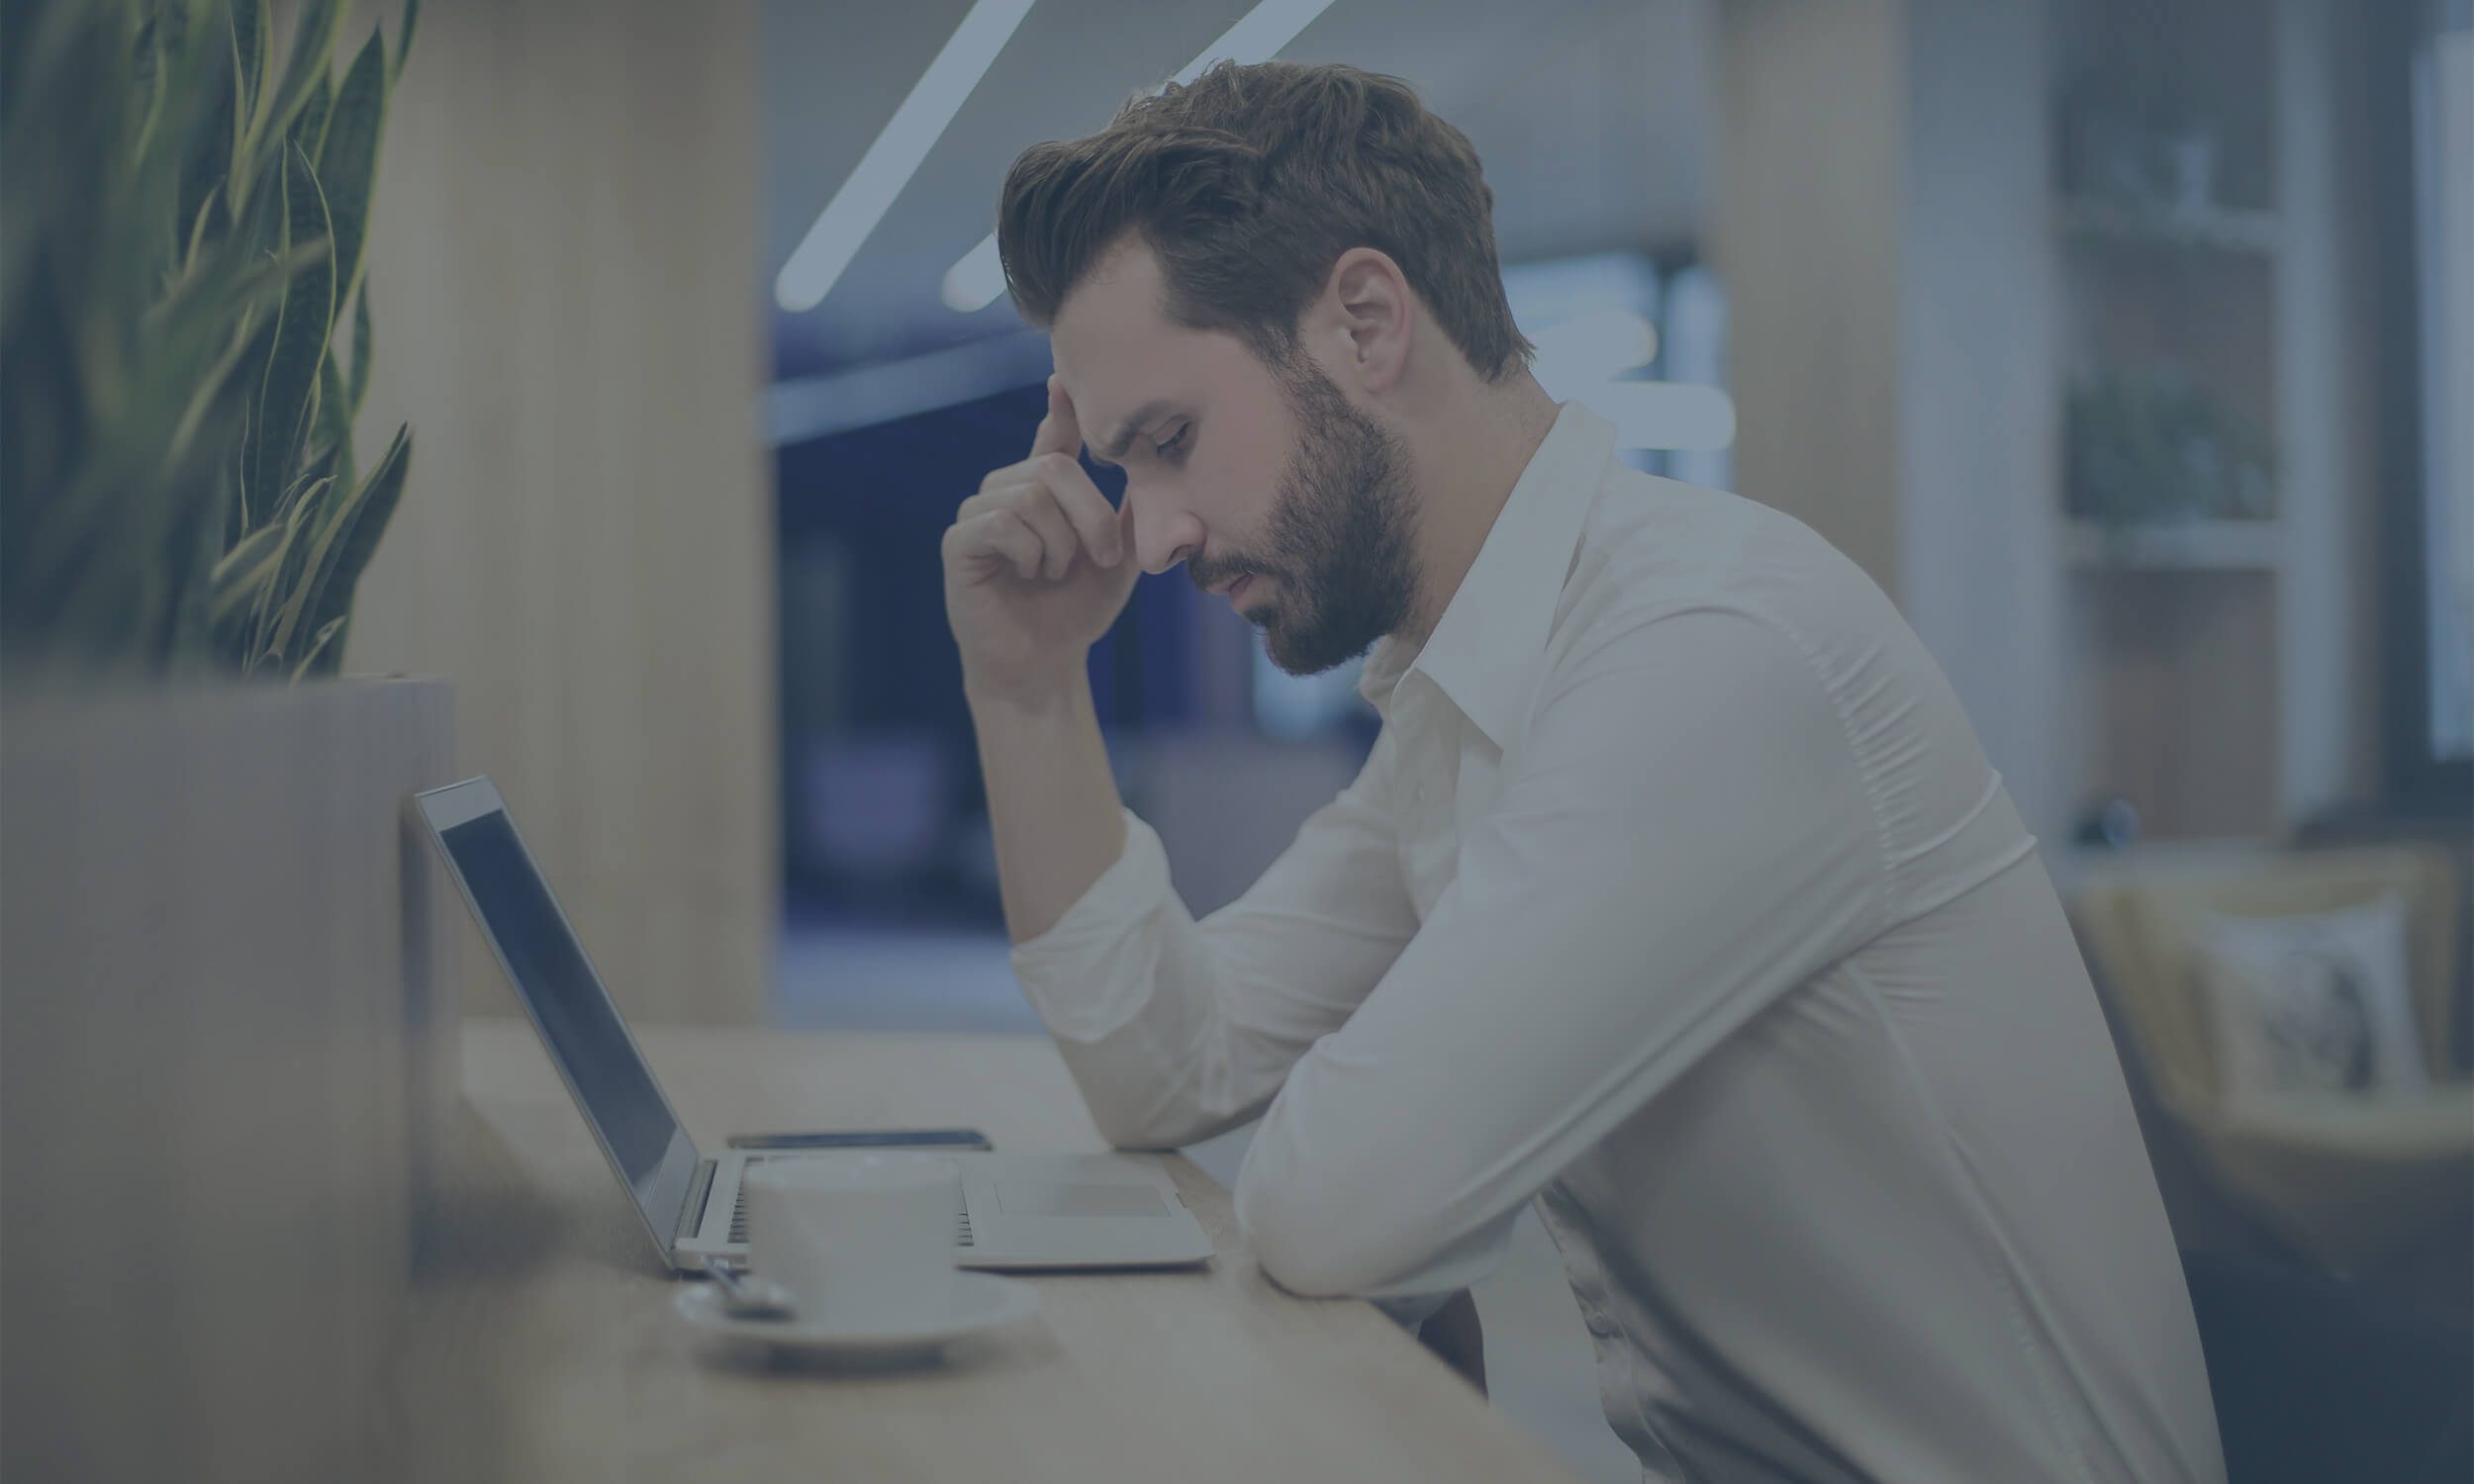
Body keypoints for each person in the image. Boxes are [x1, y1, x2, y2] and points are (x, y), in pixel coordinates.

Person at [940, 58, 2226, 1484]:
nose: (1156, 534)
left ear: (1365, 322)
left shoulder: (1703, 654)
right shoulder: (1470, 700)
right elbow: (1164, 1067)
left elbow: (1333, 1204)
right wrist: (1028, 686)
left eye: (1169, 444)